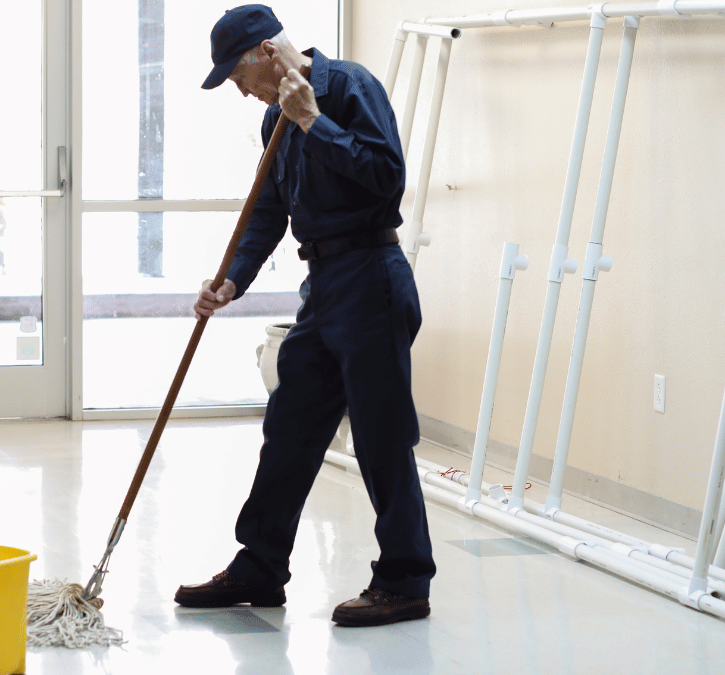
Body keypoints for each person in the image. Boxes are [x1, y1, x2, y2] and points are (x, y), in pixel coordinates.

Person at [174, 4, 436, 628]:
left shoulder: (348, 87)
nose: (240, 92)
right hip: (324, 286)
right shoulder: (274, 118)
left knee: (381, 435)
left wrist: (314, 122)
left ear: (268, 54)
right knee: (290, 423)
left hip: (372, 276)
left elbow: (386, 178)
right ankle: (260, 565)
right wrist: (230, 280)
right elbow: (267, 209)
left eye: (238, 76)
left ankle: (405, 580)